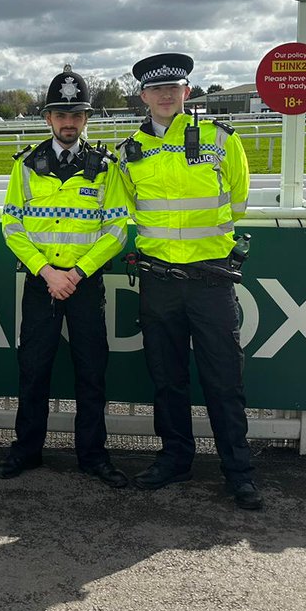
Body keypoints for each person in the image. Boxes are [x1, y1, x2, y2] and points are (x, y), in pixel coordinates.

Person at [119, 52, 261, 510]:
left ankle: (238, 470)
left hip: (209, 280)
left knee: (224, 380)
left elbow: (237, 200)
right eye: (156, 89)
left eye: (173, 88)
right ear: (143, 96)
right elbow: (127, 212)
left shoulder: (220, 139)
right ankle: (175, 459)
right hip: (159, 282)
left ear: (186, 92)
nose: (165, 95)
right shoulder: (129, 153)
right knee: (167, 379)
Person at [0, 65, 129, 487]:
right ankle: (26, 451)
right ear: (48, 118)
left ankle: (93, 456)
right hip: (42, 283)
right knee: (33, 370)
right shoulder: (27, 165)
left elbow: (117, 229)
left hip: (86, 285)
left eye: (76, 114)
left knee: (92, 372)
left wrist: (78, 272)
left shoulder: (105, 166)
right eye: (60, 114)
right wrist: (48, 272)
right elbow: (12, 226)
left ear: (86, 118)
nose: (68, 122)